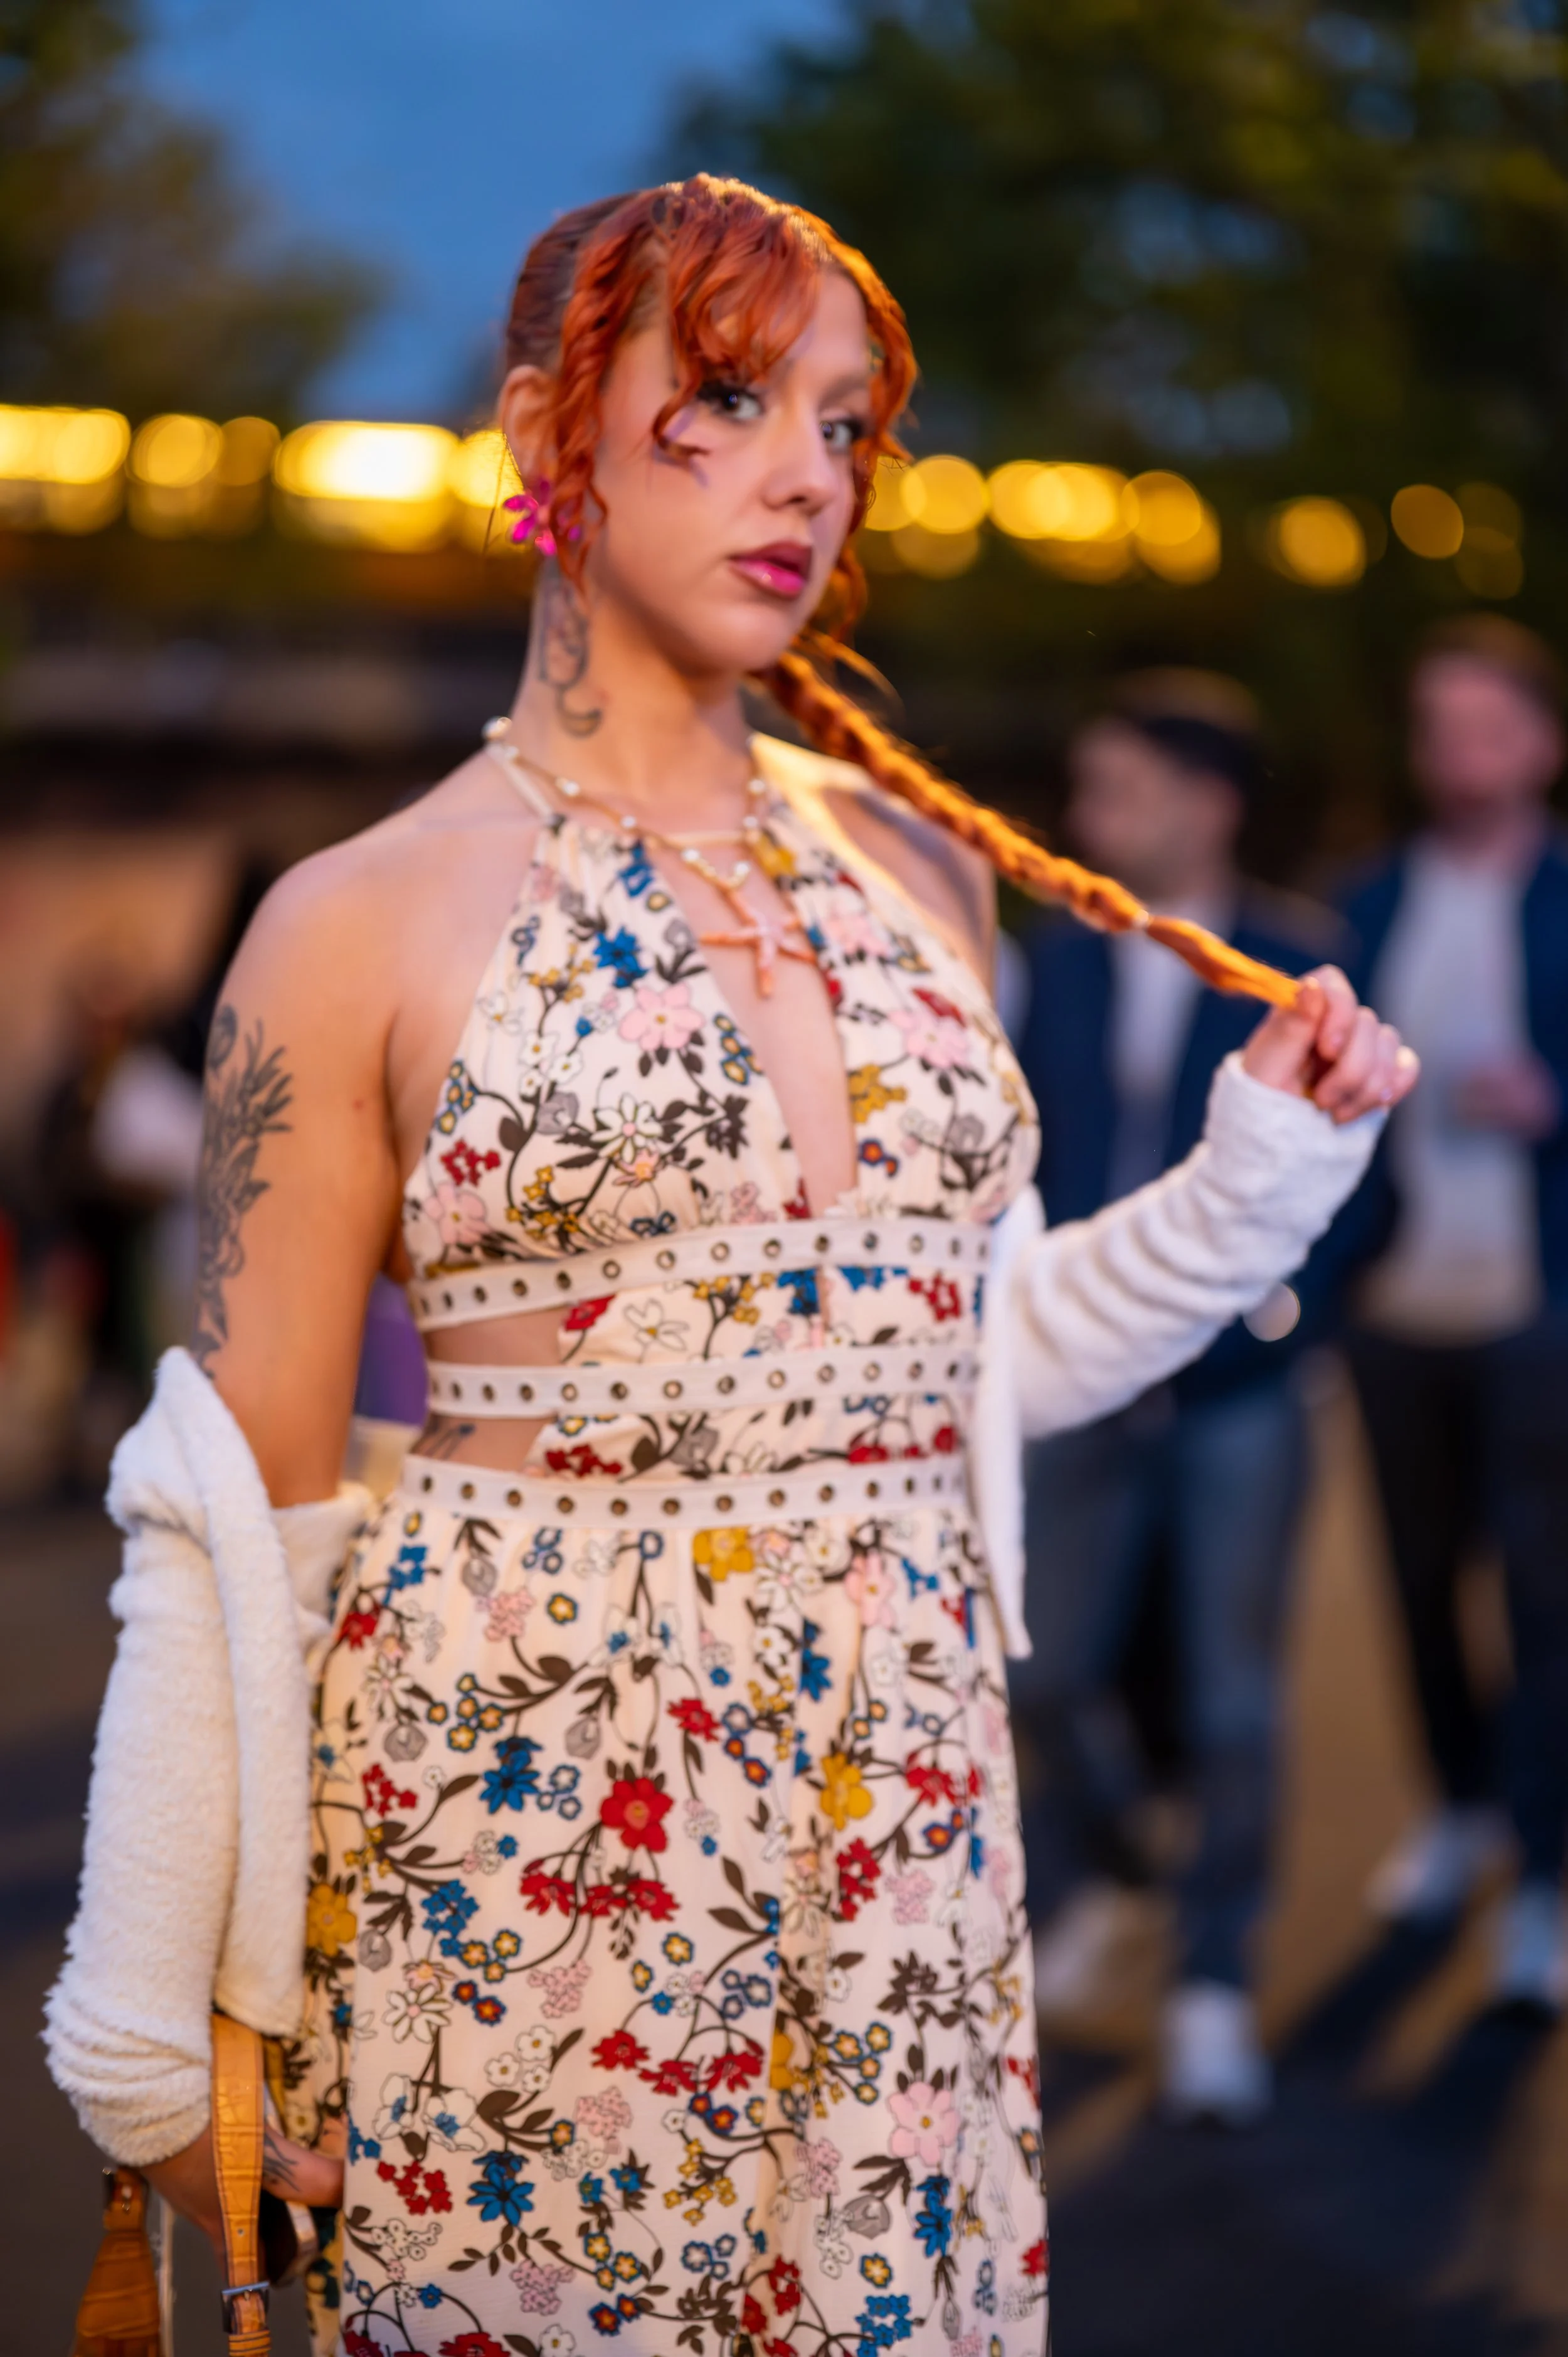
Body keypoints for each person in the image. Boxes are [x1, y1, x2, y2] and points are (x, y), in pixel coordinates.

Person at [45, 178, 1411, 2355]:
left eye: (849, 424)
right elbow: (236, 1510)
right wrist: (193, 2015)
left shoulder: (920, 874)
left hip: (908, 1828)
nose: (807, 472)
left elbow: (965, 1355)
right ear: (544, 436)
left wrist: (1267, 1169)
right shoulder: (353, 917)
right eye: (733, 399)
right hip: (526, 1824)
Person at [1011, 674, 1362, 2126]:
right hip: (1073, 1368)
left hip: (1237, 1390)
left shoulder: (1300, 961)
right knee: (1040, 1671)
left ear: (1203, 802)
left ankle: (1213, 1977)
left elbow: (1360, 1186)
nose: (1090, 818)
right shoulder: (1057, 954)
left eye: (1118, 790)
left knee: (1231, 1697)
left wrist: (1283, 1334)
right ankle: (1106, 1881)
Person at [1341, 615, 1568, 2012]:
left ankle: (1541, 1874)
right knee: (1414, 1582)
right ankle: (1459, 1809)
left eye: (1486, 726)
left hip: (1535, 1303)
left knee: (1543, 1595)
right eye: (1437, 726)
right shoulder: (1364, 903)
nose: (1457, 754)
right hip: (1391, 1299)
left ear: (1539, 743)